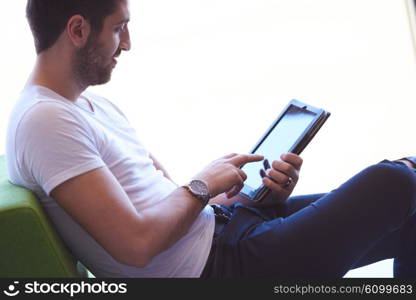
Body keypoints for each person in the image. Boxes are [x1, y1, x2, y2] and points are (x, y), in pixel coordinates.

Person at [5, 0, 416, 278]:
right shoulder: (45, 121)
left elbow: (165, 204)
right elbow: (135, 245)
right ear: (78, 29)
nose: (126, 44)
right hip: (219, 267)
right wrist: (204, 183)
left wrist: (245, 196)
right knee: (395, 180)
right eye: (119, 28)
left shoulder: (91, 108)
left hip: (225, 232)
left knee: (409, 213)